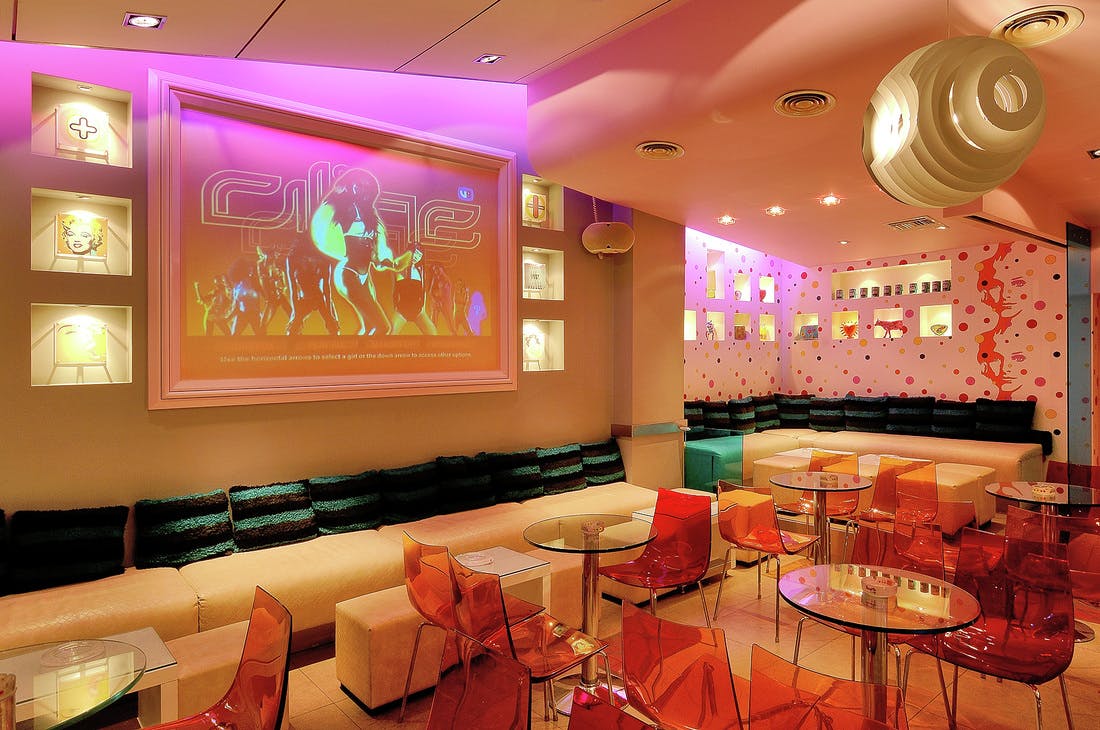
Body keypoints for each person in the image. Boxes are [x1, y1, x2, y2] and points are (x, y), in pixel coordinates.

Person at [310, 168, 422, 336]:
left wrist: (409, 255)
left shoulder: (370, 215)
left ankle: (358, 353)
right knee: (382, 327)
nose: (361, 190)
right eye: (358, 185)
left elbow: (382, 260)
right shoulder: (339, 208)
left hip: (364, 276)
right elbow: (322, 232)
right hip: (349, 273)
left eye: (366, 187)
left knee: (370, 328)